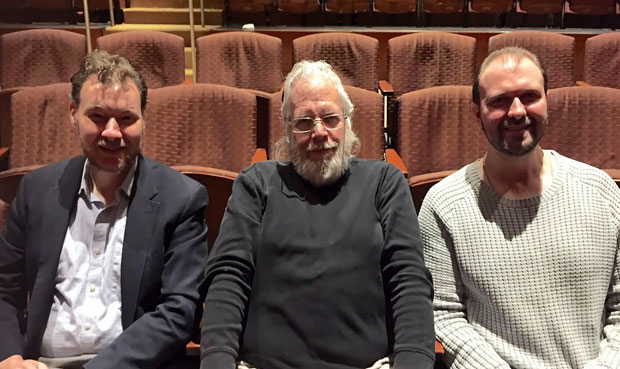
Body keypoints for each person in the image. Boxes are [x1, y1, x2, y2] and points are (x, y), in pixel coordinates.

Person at [199, 60, 435, 369]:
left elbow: (409, 280)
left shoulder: (384, 182)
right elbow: (229, 277)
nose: (319, 132)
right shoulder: (256, 183)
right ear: (287, 128)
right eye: (304, 122)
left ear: (347, 122)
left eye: (330, 118)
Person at [0, 50, 208, 369]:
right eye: (97, 116)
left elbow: (180, 312)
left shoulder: (181, 199)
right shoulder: (36, 190)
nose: (112, 132)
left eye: (126, 119)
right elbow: (5, 287)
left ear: (144, 116)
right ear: (73, 112)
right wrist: (10, 357)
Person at [419, 46, 620, 369]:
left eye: (529, 96)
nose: (516, 111)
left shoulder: (600, 191)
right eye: (499, 100)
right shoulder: (445, 204)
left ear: (546, 100)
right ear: (477, 112)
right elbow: (443, 313)